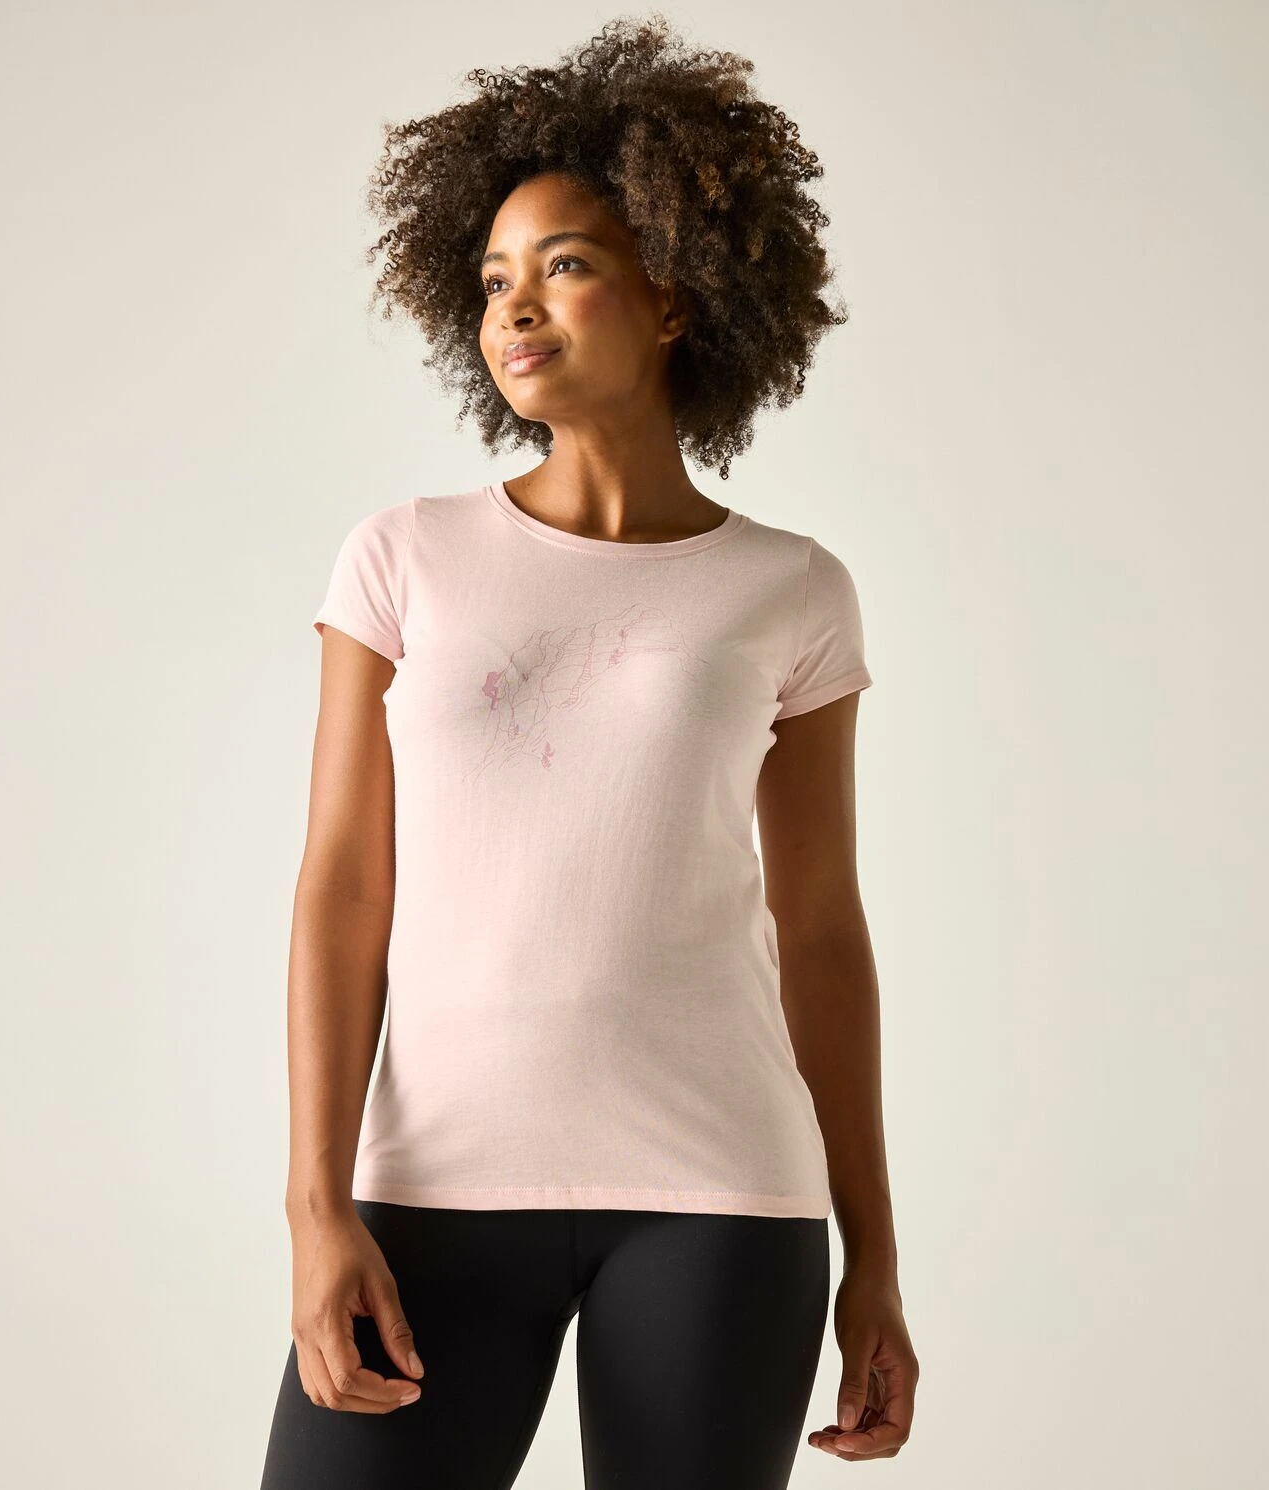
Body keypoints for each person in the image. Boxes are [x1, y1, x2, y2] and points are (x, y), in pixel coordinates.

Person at [259, 16, 918, 1489]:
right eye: (494, 278)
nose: (515, 307)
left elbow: (820, 927)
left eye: (562, 264)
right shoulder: (402, 558)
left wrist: (873, 1258)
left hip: (722, 1198)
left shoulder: (791, 589)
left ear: (673, 293)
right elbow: (342, 889)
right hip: (427, 1192)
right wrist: (316, 1205)